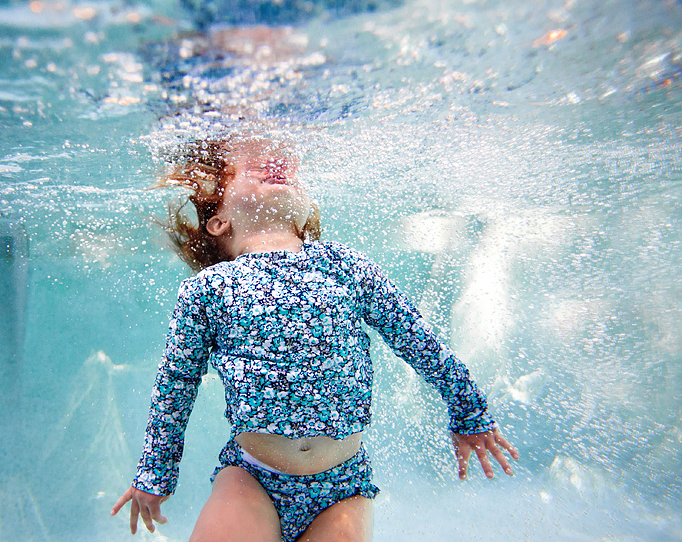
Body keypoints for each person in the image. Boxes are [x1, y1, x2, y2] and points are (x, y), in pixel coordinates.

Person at [111, 135, 519, 541]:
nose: (272, 166)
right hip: (252, 478)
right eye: (246, 171)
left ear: (306, 210)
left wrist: (468, 410)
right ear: (219, 221)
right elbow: (175, 384)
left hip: (342, 489)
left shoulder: (349, 266)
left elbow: (418, 341)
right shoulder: (207, 289)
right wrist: (155, 472)